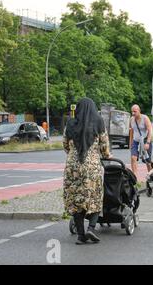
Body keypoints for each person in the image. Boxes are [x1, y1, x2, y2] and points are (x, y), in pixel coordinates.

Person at [63, 97, 112, 245]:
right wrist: (107, 156)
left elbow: (65, 145)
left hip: (73, 167)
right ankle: (91, 227)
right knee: (95, 196)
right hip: (92, 166)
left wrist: (73, 155)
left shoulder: (70, 123)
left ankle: (80, 235)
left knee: (77, 199)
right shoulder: (98, 122)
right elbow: (104, 147)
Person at [129, 104, 152, 174]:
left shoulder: (145, 118)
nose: (133, 113)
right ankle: (134, 177)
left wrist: (148, 143)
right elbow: (131, 132)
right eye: (132, 112)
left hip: (144, 141)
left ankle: (150, 175)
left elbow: (150, 130)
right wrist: (130, 143)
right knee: (133, 158)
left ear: (139, 111)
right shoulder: (131, 119)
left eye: (135, 111)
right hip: (135, 141)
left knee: (147, 162)